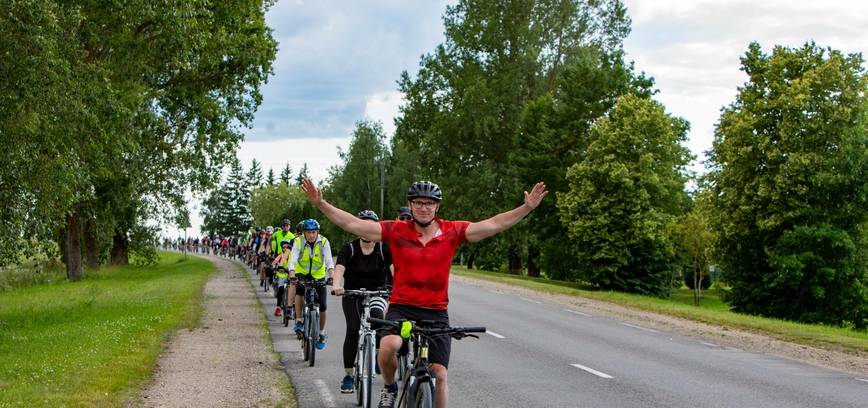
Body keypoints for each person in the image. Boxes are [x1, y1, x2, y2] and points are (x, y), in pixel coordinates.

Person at [301, 178, 547, 408]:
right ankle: (389, 387)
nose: (424, 208)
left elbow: (494, 224)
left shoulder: (452, 231)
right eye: (418, 203)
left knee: (439, 373)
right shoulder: (397, 231)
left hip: (436, 311)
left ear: (437, 207)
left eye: (429, 203)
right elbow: (353, 224)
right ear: (411, 205)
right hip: (402, 307)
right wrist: (321, 203)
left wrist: (526, 208)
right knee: (388, 347)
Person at [332, 210, 393, 393]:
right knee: (353, 329)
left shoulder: (384, 249)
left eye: (371, 225)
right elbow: (339, 268)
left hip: (378, 293)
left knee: (378, 319)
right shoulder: (349, 249)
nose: (367, 229)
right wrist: (336, 285)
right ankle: (349, 375)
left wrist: (400, 287)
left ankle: (375, 354)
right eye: (363, 225)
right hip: (352, 294)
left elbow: (395, 269)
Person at [287, 218, 335, 350]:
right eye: (308, 232)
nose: (311, 235)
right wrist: (292, 274)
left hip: (319, 275)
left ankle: (321, 333)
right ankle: (298, 320)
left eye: (314, 232)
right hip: (301, 273)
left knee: (323, 305)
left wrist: (331, 276)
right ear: (304, 233)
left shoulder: (324, 242)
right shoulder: (298, 241)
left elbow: (329, 261)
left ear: (317, 232)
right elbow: (293, 260)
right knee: (300, 290)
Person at [271, 239, 294, 316]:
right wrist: (274, 266)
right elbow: (274, 262)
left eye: (286, 247)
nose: (285, 249)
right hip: (282, 276)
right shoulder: (280, 255)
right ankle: (278, 308)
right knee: (280, 290)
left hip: (291, 275)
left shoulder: (292, 255)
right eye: (283, 247)